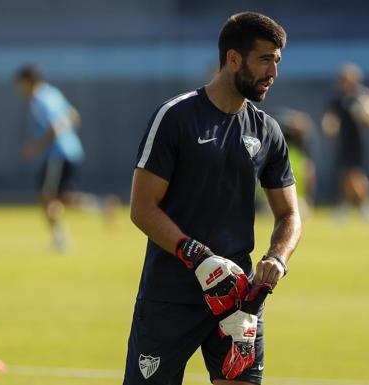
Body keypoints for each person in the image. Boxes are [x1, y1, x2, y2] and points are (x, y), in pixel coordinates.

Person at [124, 12, 301, 385]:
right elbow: (141, 209)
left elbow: (289, 215)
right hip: (170, 297)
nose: (273, 72)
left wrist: (276, 260)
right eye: (265, 59)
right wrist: (198, 256)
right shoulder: (175, 117)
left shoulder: (267, 130)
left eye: (278, 61)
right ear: (233, 58)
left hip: (239, 303)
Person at [15, 65, 117, 251]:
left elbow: (55, 127)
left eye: (20, 84)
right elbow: (73, 115)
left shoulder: (39, 100)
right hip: (70, 150)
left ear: (28, 81)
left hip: (58, 154)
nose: (20, 89)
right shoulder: (53, 93)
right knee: (64, 197)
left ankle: (61, 240)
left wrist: (34, 146)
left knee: (46, 196)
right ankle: (101, 206)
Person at [321, 63, 369, 221]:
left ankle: (367, 206)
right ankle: (345, 206)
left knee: (355, 175)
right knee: (345, 175)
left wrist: (364, 114)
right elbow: (330, 117)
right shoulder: (337, 98)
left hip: (360, 142)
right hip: (343, 142)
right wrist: (329, 126)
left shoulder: (363, 95)